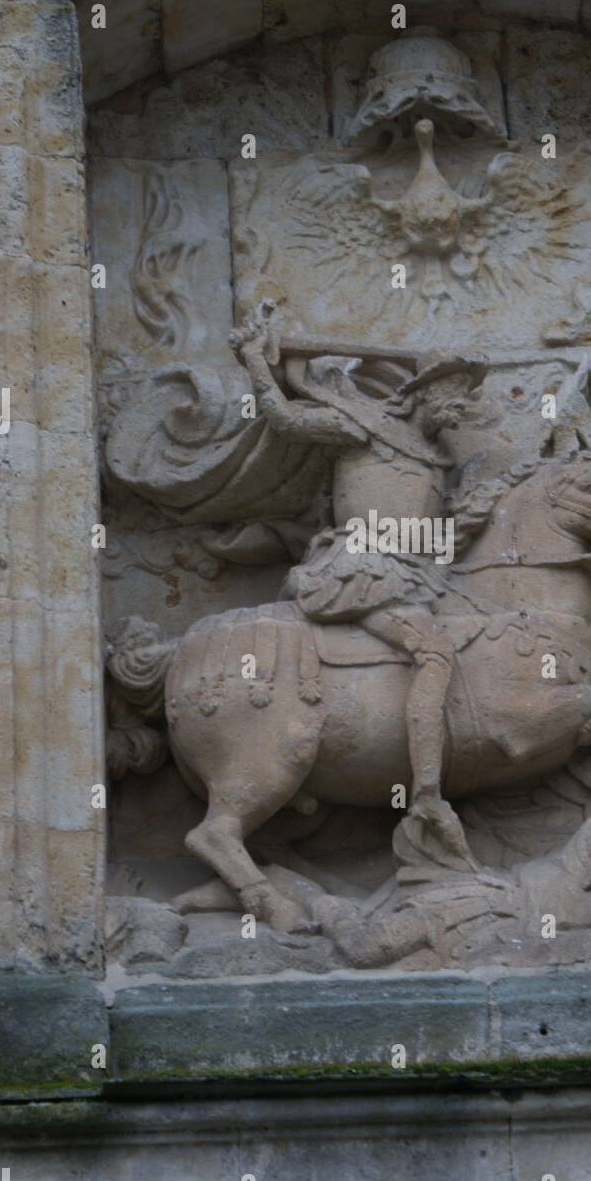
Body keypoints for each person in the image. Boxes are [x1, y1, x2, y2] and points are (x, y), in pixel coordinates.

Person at [229, 302, 487, 865]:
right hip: (360, 571)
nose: (463, 407)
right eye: (455, 394)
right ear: (423, 391)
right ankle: (425, 797)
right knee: (435, 652)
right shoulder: (361, 428)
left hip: (418, 575)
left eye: (467, 397)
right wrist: (254, 360)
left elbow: (438, 535)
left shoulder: (440, 461)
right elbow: (286, 419)